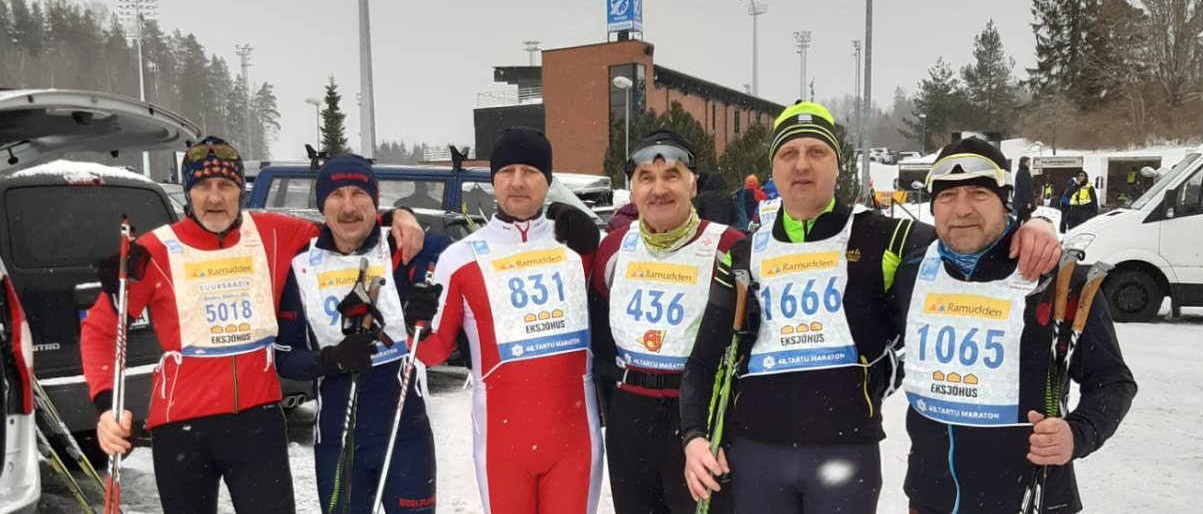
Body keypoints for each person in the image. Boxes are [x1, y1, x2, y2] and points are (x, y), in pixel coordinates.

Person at [679, 104, 1062, 514]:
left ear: (837, 165)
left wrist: (1032, 227)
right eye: (788, 154)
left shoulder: (885, 236)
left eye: (817, 152)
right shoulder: (744, 253)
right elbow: (703, 360)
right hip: (757, 454)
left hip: (846, 454)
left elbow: (969, 233)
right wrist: (694, 436)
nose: (802, 165)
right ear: (772, 168)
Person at [81, 137, 425, 514]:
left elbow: (344, 227)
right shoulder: (156, 249)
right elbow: (101, 329)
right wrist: (104, 405)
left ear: (239, 191)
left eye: (225, 185)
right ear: (187, 193)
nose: (214, 198)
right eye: (202, 186)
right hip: (181, 427)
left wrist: (398, 216)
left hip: (256, 422)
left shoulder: (272, 233)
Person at [894, 138, 1136, 514]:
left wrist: (1077, 433)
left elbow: (1112, 381)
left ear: (1004, 200)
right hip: (931, 498)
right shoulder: (912, 272)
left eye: (978, 193)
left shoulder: (1052, 278)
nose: (961, 209)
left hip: (1028, 499)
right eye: (946, 196)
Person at [408, 127, 605, 514]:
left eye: (530, 171)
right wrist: (414, 320)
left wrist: (598, 241)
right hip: (503, 445)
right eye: (507, 171)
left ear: (548, 180)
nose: (517, 182)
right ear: (492, 180)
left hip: (574, 439)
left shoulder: (577, 244)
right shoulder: (461, 257)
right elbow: (430, 353)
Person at [275, 154, 449, 514]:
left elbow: (465, 260)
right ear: (322, 204)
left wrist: (430, 315)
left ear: (375, 200)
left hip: (406, 437)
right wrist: (328, 359)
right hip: (338, 442)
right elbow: (285, 357)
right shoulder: (302, 265)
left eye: (360, 194)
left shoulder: (407, 248)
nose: (349, 207)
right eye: (337, 195)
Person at [591, 130, 745, 514]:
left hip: (698, 416)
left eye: (671, 175)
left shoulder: (728, 245)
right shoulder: (613, 248)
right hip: (631, 415)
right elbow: (599, 326)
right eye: (646, 178)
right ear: (632, 188)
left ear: (693, 184)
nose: (658, 189)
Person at [1013, 155, 1036, 223]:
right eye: (1028, 162)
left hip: (1021, 202)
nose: (1030, 164)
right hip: (1024, 203)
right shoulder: (1024, 173)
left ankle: (1016, 232)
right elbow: (1024, 189)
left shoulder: (1021, 172)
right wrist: (1028, 202)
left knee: (1019, 219)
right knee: (1026, 220)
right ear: (1024, 163)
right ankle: (1024, 233)